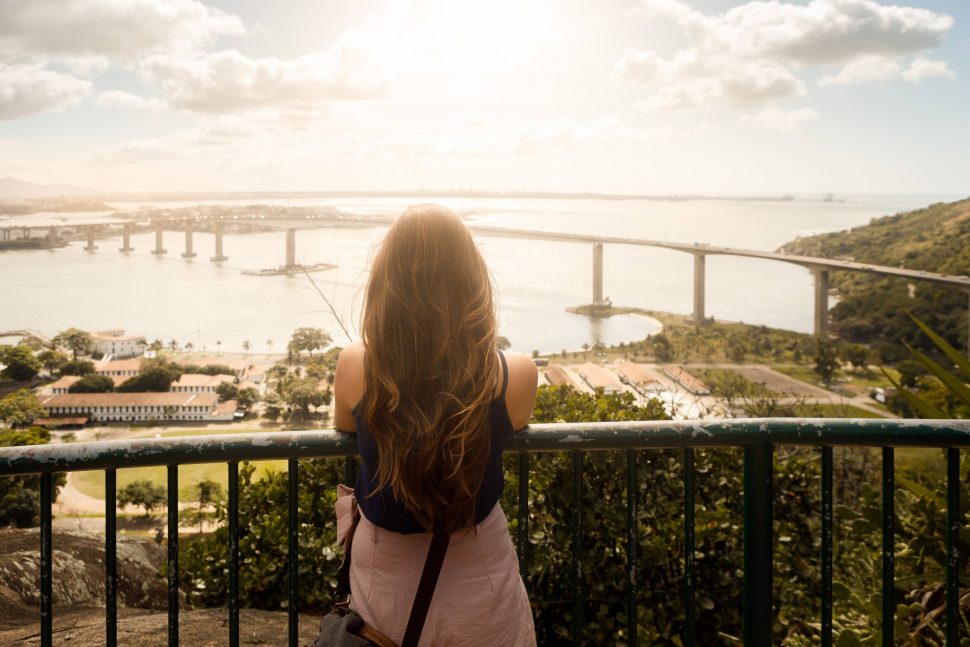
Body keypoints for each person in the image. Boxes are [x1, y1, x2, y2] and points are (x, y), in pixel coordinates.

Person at [333, 204, 538, 646]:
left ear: (386, 284)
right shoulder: (513, 373)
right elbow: (515, 419)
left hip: (382, 569)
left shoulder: (356, 365)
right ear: (472, 282)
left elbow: (345, 424)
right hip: (478, 567)